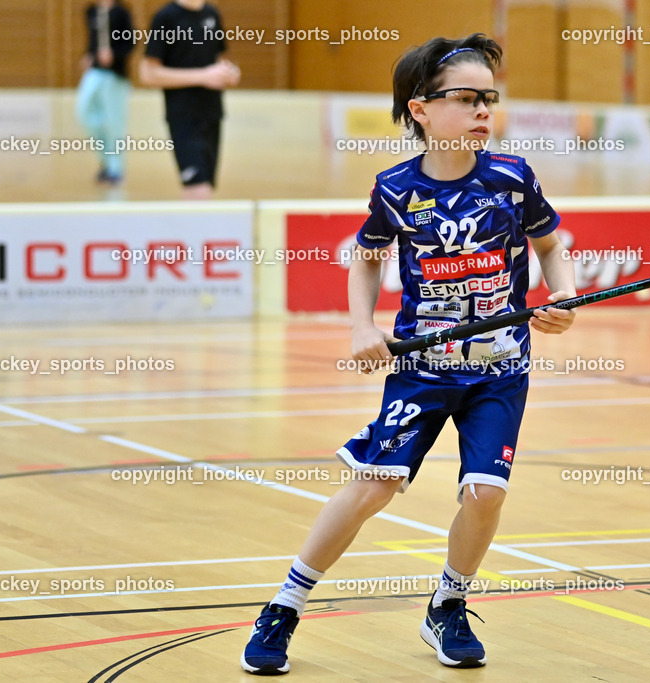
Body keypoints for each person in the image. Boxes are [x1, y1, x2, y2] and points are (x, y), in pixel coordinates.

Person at [241, 33, 577, 675]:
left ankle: (448, 605)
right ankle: (284, 606)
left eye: (490, 98)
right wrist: (360, 326)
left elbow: (552, 244)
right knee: (374, 484)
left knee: (485, 494)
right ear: (420, 109)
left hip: (500, 366)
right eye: (467, 97)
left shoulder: (512, 178)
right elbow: (364, 263)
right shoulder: (394, 188)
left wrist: (560, 295)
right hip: (423, 368)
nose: (484, 110)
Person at [139, 0, 240, 199]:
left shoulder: (211, 13)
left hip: (212, 114)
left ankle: (196, 230)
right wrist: (202, 76)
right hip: (184, 117)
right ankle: (191, 230)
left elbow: (215, 60)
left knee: (206, 187)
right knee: (198, 188)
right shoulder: (166, 18)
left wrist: (227, 72)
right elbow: (148, 73)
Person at [76, 0, 135, 185]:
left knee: (114, 123)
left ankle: (115, 168)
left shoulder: (121, 12)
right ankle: (105, 159)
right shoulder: (92, 11)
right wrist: (89, 55)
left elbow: (130, 42)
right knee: (84, 112)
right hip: (95, 71)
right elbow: (93, 39)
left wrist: (114, 54)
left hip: (115, 74)